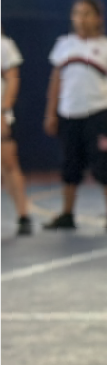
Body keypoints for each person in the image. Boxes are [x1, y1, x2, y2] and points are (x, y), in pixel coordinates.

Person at [44, 0, 107, 233]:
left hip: (99, 114)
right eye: (76, 14)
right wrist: (51, 113)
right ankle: (67, 214)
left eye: (86, 14)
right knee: (69, 164)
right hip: (69, 114)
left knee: (103, 162)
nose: (80, 19)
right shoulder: (63, 44)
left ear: (98, 18)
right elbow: (56, 81)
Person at [0, 21, 27, 236]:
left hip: (0, 116)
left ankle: (23, 215)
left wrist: (3, 110)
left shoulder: (4, 45)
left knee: (8, 164)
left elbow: (12, 79)